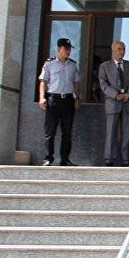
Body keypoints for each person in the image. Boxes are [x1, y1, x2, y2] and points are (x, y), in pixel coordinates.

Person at [38, 37, 80, 166]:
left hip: (68, 100)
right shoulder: (49, 63)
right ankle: (48, 158)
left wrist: (77, 97)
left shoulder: (72, 65)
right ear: (59, 49)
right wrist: (42, 97)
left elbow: (76, 83)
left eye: (69, 49)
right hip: (54, 99)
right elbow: (43, 82)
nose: (68, 51)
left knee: (67, 132)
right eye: (66, 49)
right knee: (50, 131)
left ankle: (65, 159)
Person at [98, 41, 129, 166]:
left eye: (123, 49)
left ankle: (125, 159)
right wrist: (116, 95)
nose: (122, 52)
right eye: (119, 49)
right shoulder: (105, 66)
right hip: (113, 103)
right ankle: (109, 158)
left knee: (127, 133)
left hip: (127, 103)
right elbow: (103, 84)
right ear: (113, 50)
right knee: (111, 131)